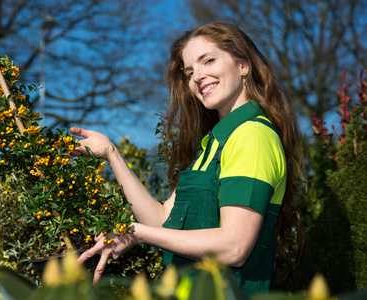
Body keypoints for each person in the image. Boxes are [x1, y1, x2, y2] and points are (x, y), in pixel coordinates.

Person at [73, 21, 304, 295]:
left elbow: (234, 248)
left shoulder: (252, 137)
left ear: (243, 65)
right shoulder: (213, 146)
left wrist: (135, 234)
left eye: (208, 60)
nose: (198, 76)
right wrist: (112, 154)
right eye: (190, 71)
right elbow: (160, 221)